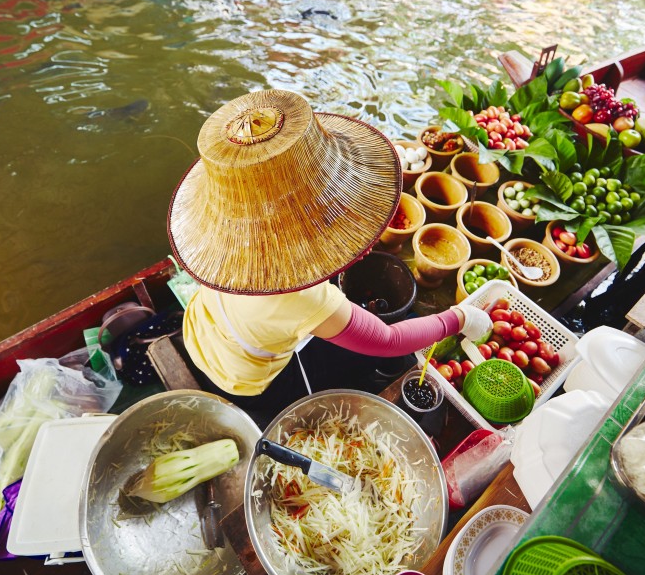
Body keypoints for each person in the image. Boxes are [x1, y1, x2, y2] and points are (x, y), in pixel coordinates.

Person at [167, 89, 491, 427]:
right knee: (363, 359)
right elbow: (388, 340)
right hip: (245, 382)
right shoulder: (301, 296)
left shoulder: (228, 241)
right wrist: (458, 319)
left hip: (202, 334)